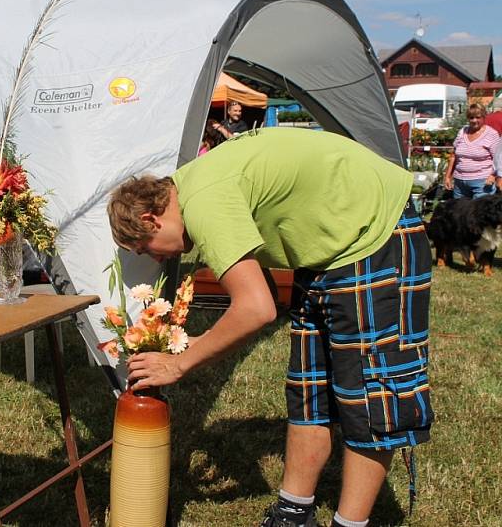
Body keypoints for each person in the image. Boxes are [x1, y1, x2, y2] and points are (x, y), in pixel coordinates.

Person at [107, 128, 433, 527]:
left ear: (150, 219)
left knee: (368, 398)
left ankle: (350, 523)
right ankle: (293, 513)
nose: (153, 259)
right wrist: (198, 342)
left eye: (144, 249)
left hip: (375, 234)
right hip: (324, 254)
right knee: (308, 390)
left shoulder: (205, 202)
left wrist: (179, 365)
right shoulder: (195, 190)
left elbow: (256, 308)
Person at [443, 103, 500, 199]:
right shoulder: (462, 132)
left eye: (478, 117)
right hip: (460, 182)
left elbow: (498, 159)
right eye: (471, 118)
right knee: (460, 212)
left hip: (482, 183)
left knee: (479, 212)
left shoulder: (492, 134)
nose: (474, 120)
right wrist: (448, 177)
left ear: (483, 117)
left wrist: (492, 176)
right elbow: (453, 156)